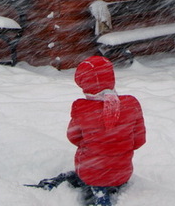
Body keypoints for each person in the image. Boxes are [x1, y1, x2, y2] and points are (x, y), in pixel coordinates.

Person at [36, 56, 146, 206]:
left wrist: (96, 145)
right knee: (108, 170)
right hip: (122, 174)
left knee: (90, 169)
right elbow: (139, 140)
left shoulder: (81, 108)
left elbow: (73, 137)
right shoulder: (132, 104)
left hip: (90, 175)